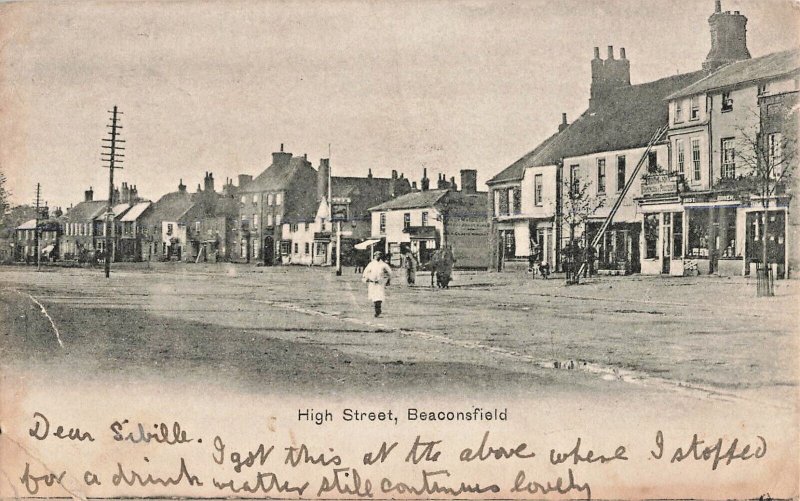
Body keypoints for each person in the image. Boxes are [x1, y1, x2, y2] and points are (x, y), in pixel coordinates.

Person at [362, 251, 392, 317]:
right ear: (374, 256)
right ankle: (377, 309)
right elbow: (365, 272)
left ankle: (378, 310)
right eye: (376, 255)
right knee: (374, 297)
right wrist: (366, 279)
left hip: (379, 283)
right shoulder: (371, 264)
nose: (377, 256)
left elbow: (390, 272)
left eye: (379, 255)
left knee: (379, 297)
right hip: (372, 283)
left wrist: (388, 280)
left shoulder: (383, 264)